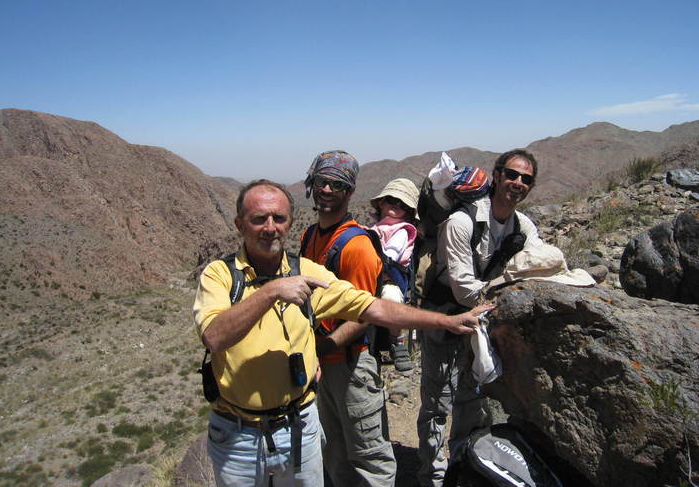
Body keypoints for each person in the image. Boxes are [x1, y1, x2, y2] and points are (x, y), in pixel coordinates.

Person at [194, 179, 489, 487]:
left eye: (279, 218)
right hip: (238, 435)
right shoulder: (221, 275)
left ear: (290, 223)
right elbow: (214, 337)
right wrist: (271, 292)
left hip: (299, 427)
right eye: (259, 219)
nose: (270, 227)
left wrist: (447, 322)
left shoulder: (305, 272)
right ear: (240, 224)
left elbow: (372, 307)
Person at [416, 149, 543, 487]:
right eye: (512, 175)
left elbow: (540, 262)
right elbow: (463, 290)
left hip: (483, 323)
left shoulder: (524, 226)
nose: (518, 183)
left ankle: (462, 466)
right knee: (437, 401)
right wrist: (506, 293)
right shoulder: (462, 221)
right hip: (443, 318)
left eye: (526, 179)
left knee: (472, 397)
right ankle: (431, 475)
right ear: (497, 175)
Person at [299, 151, 397, 487]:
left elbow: (364, 314)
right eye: (322, 181)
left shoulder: (356, 247)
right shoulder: (309, 236)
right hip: (323, 362)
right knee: (334, 451)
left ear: (349, 192)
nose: (327, 189)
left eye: (337, 184)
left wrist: (323, 348)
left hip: (352, 364)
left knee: (370, 456)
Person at [369, 177, 421, 372]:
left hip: (390, 278)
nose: (396, 205)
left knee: (390, 298)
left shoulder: (402, 231)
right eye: (392, 200)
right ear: (382, 202)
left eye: (402, 204)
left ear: (408, 212)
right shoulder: (374, 227)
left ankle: (396, 341)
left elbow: (390, 255)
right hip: (372, 276)